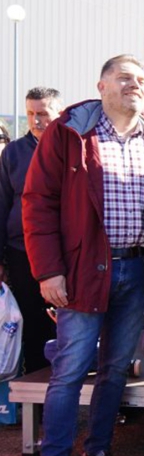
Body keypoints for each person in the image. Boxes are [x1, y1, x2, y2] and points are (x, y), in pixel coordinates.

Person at [23, 54, 144, 456]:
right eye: (124, 78)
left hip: (136, 270)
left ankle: (96, 452)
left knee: (114, 370)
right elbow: (38, 201)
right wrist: (48, 271)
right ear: (102, 85)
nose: (134, 85)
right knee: (70, 371)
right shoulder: (70, 133)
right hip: (83, 270)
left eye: (141, 80)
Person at [0, 87, 62, 374]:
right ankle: (34, 397)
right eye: (30, 114)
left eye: (42, 114)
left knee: (63, 322)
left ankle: (63, 388)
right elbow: (1, 203)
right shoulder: (13, 153)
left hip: (62, 252)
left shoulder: (69, 148)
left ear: (58, 113)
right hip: (20, 251)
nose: (35, 120)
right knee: (32, 324)